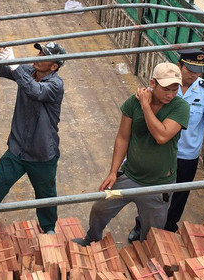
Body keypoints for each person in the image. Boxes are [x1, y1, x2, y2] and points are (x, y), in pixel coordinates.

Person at [73, 62, 190, 246]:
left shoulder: (180, 107)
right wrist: (113, 172)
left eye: (175, 89)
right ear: (153, 83)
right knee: (100, 208)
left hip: (158, 185)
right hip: (128, 177)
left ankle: (146, 259)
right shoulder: (132, 103)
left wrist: (146, 106)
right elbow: (122, 137)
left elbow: (161, 136)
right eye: (166, 89)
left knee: (153, 232)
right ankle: (91, 239)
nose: (170, 94)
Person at [0, 24, 67, 234]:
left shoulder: (56, 85)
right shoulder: (28, 71)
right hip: (18, 148)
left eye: (44, 55)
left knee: (46, 195)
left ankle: (48, 229)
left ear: (53, 67)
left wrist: (14, 67)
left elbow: (35, 91)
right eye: (40, 51)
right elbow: (0, 68)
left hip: (42, 153)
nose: (38, 56)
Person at [127, 49, 204, 241]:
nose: (195, 75)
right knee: (152, 194)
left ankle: (167, 230)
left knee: (179, 197)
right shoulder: (162, 88)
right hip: (162, 153)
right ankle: (141, 226)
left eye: (199, 71)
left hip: (187, 155)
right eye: (190, 69)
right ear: (179, 66)